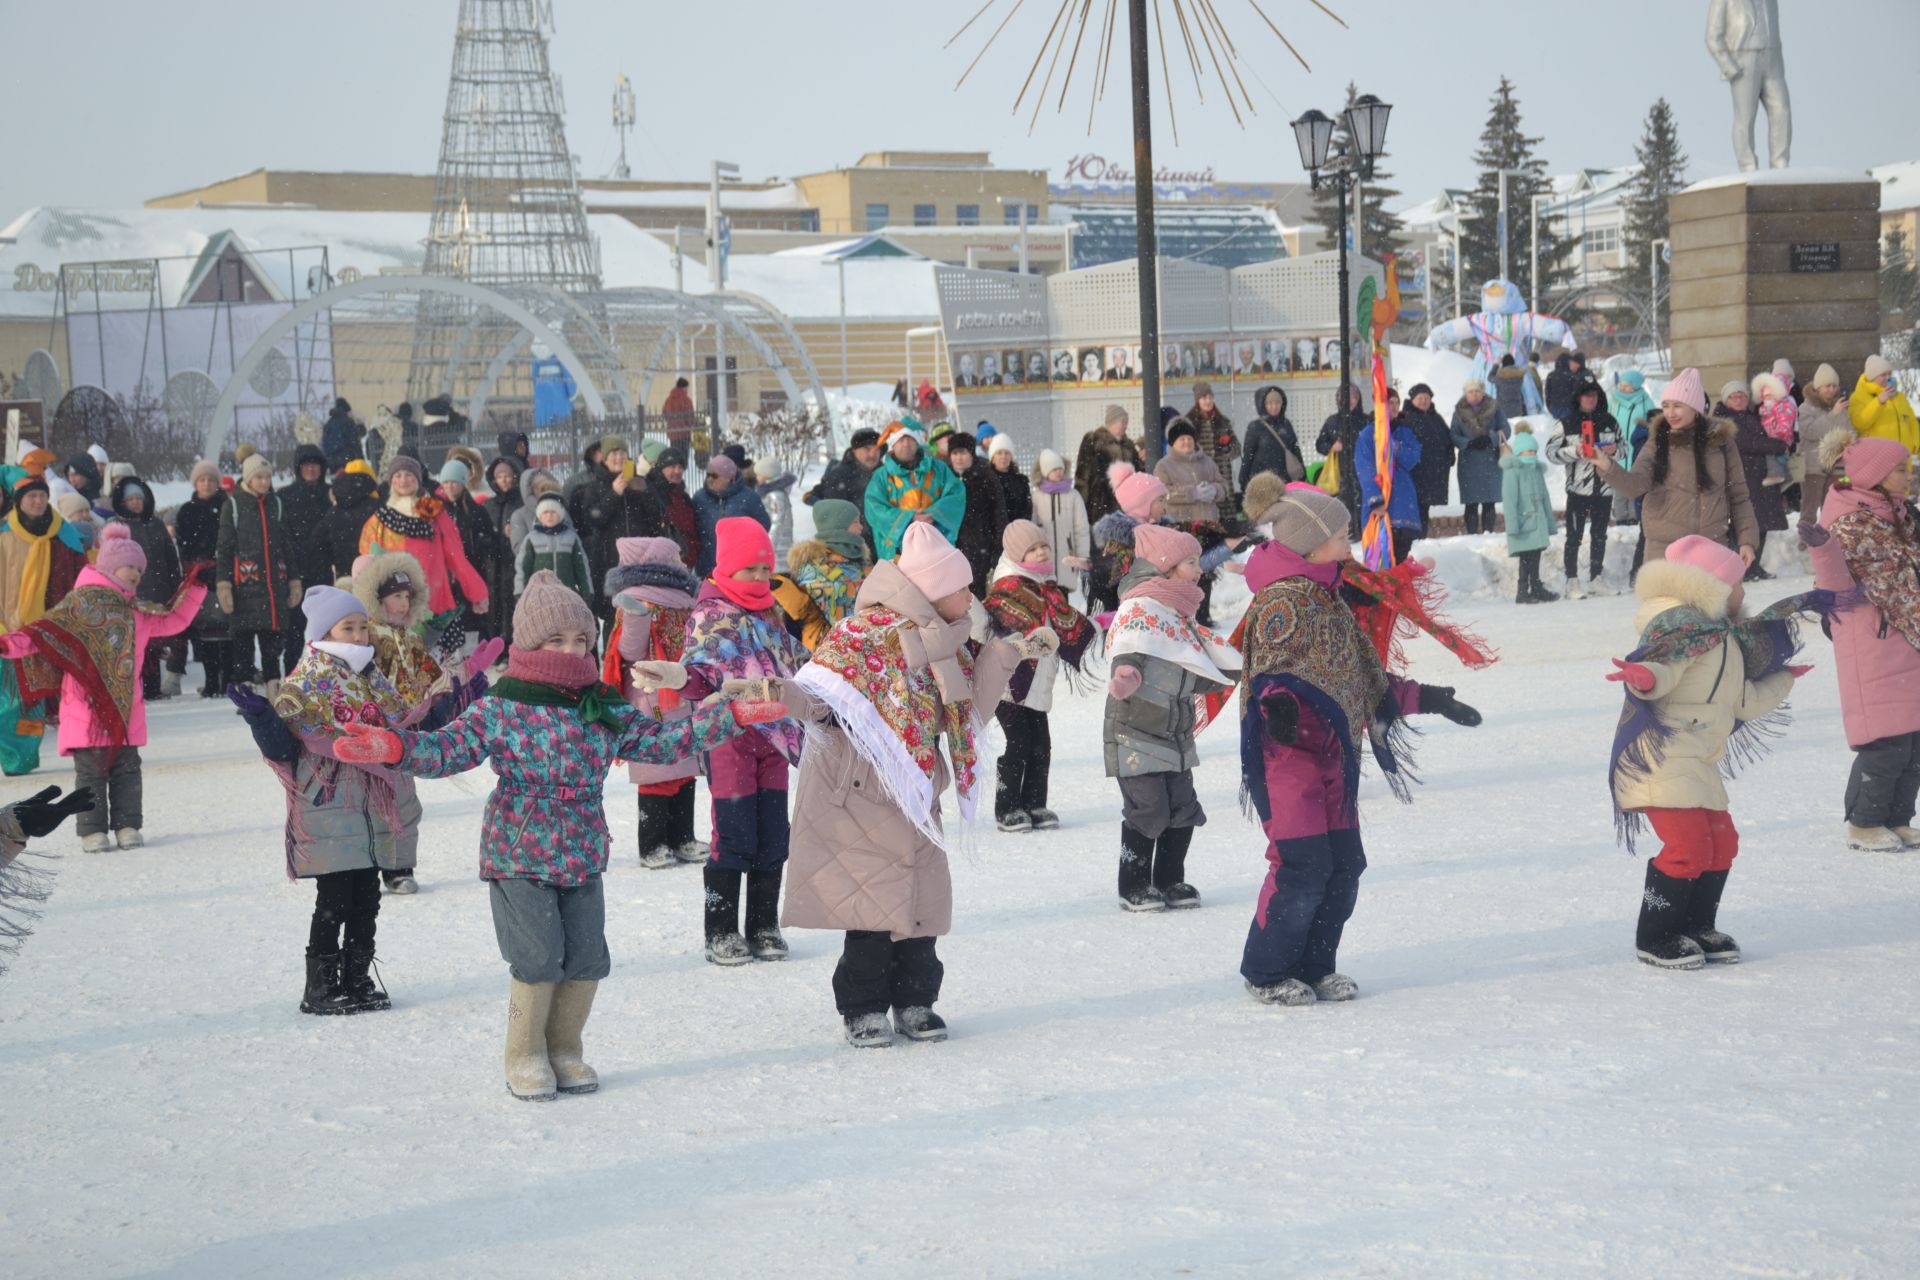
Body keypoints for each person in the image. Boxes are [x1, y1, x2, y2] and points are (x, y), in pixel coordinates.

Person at [328, 572, 776, 1093]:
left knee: (587, 956)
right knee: (538, 957)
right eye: (556, 640)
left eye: (580, 640)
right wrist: (396, 747)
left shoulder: (600, 704)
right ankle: (525, 1055)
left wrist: (733, 715)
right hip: (519, 847)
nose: (571, 650)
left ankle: (565, 1049)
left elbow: (662, 742)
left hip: (583, 846)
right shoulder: (505, 703)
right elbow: (448, 749)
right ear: (530, 644)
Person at [780, 521, 1043, 1047]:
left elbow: (970, 716)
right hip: (860, 793)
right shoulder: (862, 634)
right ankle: (865, 1008)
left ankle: (916, 1000)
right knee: (871, 912)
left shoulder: (949, 643)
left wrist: (1007, 653)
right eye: (961, 588)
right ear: (930, 589)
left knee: (922, 908)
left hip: (918, 792)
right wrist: (777, 693)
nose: (970, 598)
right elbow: (820, 697)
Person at [1237, 485, 1482, 1006]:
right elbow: (1272, 671)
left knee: (1345, 864)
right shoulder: (1282, 599)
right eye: (1341, 534)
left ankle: (1315, 964)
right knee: (1301, 864)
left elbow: (1355, 677)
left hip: (1332, 754)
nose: (1350, 542)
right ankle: (1267, 969)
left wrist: (1427, 698)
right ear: (1309, 543)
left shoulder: (1326, 595)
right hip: (1288, 759)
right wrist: (1278, 704)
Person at [1606, 535, 1809, 968]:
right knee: (1687, 845)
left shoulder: (1724, 640)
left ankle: (1697, 925)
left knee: (1721, 843)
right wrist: (1643, 677)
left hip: (1697, 758)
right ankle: (1655, 935)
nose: (1744, 593)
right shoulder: (1679, 629)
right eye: (1737, 584)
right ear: (1713, 587)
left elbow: (1742, 704)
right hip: (1661, 756)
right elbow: (1663, 667)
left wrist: (1785, 679)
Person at [0, 523, 204, 850]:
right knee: (92, 773)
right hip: (85, 710)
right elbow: (42, 633)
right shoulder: (78, 607)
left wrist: (195, 591)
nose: (136, 573)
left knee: (127, 771)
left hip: (127, 709)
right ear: (109, 566)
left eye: (140, 568)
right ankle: (92, 829)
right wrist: (8, 645)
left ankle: (127, 826)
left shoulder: (135, 611)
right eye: (130, 566)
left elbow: (172, 620)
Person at [682, 517, 810, 966]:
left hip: (773, 735)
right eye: (748, 570)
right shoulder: (709, 615)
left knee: (774, 833)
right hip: (729, 738)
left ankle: (763, 924)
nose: (758, 579)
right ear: (727, 569)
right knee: (734, 832)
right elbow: (697, 673)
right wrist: (683, 680)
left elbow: (795, 661)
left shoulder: (772, 613)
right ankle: (720, 930)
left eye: (764, 570)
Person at [1104, 523, 1240, 912]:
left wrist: (1231, 671)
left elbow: (1193, 667)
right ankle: (1133, 884)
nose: (1199, 569)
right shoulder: (1141, 609)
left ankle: (1169, 880)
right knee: (1149, 810)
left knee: (1182, 808)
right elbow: (1128, 648)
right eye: (1191, 562)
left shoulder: (1177, 614)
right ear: (1165, 566)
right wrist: (1126, 675)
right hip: (1135, 731)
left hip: (1175, 732)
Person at [1804, 431, 1920, 850]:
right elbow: (1833, 585)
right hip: (1873, 638)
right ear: (1875, 476)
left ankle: (1897, 818)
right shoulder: (1849, 519)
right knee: (1885, 741)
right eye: (1901, 470)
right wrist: (1822, 550)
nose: (1908, 476)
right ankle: (1864, 823)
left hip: (1909, 634)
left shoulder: (1900, 513)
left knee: (1913, 742)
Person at [981, 520, 1097, 833]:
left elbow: (1066, 625)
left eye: (1043, 546)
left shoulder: (1048, 588)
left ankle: (1035, 803)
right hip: (1011, 683)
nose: (1041, 551)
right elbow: (992, 630)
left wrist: (1101, 622)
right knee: (1018, 743)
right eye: (1032, 549)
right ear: (1017, 554)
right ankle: (1007, 809)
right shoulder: (1008, 589)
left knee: (1041, 745)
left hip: (1038, 681)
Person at [605, 537, 709, 870]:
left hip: (682, 690)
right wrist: (636, 617)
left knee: (685, 768)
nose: (681, 562)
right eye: (675, 557)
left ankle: (682, 837)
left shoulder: (681, 598)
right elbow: (630, 653)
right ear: (659, 561)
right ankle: (652, 843)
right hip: (651, 695)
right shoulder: (636, 600)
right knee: (658, 771)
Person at [1594, 368, 1759, 568]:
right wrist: (1606, 465)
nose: (1670, 413)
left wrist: (1747, 541)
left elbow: (1739, 496)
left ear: (1695, 408)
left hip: (1712, 547)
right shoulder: (1657, 441)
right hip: (1665, 550)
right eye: (1666, 406)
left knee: (1722, 599)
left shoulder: (1721, 442)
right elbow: (1634, 486)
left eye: (1678, 406)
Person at [356, 454, 488, 635]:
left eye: (409, 474)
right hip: (394, 609)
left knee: (436, 660)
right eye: (398, 475)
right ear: (392, 481)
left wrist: (476, 591)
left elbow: (456, 556)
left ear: (418, 479)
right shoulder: (379, 520)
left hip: (434, 603)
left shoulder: (435, 512)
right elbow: (367, 564)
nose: (404, 480)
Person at [217, 454, 297, 692]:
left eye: (267, 477)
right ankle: (246, 691)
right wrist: (224, 584)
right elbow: (224, 549)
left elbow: (287, 546)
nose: (264, 482)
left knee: (272, 645)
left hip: (273, 588)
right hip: (245, 587)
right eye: (259, 477)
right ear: (249, 479)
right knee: (243, 644)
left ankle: (274, 690)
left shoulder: (277, 504)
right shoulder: (232, 506)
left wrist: (293, 580)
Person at [108, 475, 184, 700]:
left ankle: (152, 687)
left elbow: (171, 558)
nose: (135, 503)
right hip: (132, 594)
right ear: (122, 501)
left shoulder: (156, 524)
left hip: (159, 591)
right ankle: (135, 688)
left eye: (138, 498)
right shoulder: (118, 528)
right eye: (130, 499)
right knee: (134, 645)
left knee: (155, 644)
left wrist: (174, 587)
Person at [1546, 376, 1622, 598]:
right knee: (1574, 536)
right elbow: (1551, 453)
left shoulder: (1610, 421)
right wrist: (1574, 452)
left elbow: (1624, 448)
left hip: (1605, 487)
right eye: (1586, 395)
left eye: (1594, 395)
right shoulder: (1565, 423)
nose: (1591, 399)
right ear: (1578, 398)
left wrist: (1614, 450)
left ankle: (1597, 577)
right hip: (1578, 489)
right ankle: (1571, 580)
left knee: (1600, 535)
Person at [1717, 379, 1788, 579]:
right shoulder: (1723, 419)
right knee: (1742, 523)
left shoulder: (1753, 415)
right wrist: (1777, 445)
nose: (1739, 400)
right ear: (1726, 399)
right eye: (1734, 396)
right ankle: (1740, 568)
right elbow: (1748, 443)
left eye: (1743, 396)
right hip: (1742, 477)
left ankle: (1754, 566)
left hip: (1761, 478)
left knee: (1761, 523)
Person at [864, 422, 964, 561]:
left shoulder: (938, 468)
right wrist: (909, 518)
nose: (906, 444)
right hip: (898, 553)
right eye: (901, 440)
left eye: (910, 439)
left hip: (936, 545)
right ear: (893, 445)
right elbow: (873, 508)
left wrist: (934, 514)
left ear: (917, 442)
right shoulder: (881, 476)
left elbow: (956, 494)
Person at [174, 461, 232, 698]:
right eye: (202, 480)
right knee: (206, 632)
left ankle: (227, 680)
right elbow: (183, 544)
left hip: (224, 573)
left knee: (228, 632)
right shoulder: (187, 510)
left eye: (210, 480)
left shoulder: (228, 506)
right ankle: (210, 681)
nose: (207, 484)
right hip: (198, 576)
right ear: (195, 483)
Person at [780, 498, 868, 651]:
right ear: (839, 525)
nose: (861, 527)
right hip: (824, 649)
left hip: (856, 646)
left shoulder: (855, 561)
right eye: (855, 522)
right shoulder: (814, 568)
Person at [277, 445, 335, 673]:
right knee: (294, 631)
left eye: (315, 465)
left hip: (323, 571)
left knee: (325, 630)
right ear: (298, 469)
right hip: (295, 574)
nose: (311, 469)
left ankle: (324, 675)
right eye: (306, 465)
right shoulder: (284, 496)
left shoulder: (332, 495)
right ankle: (292, 677)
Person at [1354, 397, 1424, 565]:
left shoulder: (1405, 432)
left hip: (1403, 504)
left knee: (1400, 561)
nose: (1393, 407)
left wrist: (1394, 446)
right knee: (1379, 562)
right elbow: (1365, 469)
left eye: (1395, 403)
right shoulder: (1368, 434)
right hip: (1381, 506)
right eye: (1388, 403)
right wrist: (1375, 500)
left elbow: (1413, 459)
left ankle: (1398, 590)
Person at [1501, 424, 1559, 604]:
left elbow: (1545, 497)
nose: (1532, 455)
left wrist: (1549, 522)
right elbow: (1509, 501)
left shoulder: (1535, 471)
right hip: (1524, 522)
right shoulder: (1513, 472)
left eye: (1534, 451)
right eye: (1528, 451)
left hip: (1537, 522)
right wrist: (1513, 526)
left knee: (1535, 556)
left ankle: (1535, 587)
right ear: (1518, 452)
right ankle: (1522, 590)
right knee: (1526, 558)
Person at [944, 433, 1005, 598]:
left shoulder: (986, 477)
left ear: (971, 453)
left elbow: (998, 515)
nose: (959, 458)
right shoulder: (945, 478)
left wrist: (996, 547)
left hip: (980, 547)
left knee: (977, 596)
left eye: (963, 452)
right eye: (955, 453)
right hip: (951, 547)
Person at [689, 455, 770, 579]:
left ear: (730, 478)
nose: (710, 479)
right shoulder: (700, 498)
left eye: (715, 476)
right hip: (707, 569)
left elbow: (763, 526)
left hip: (739, 570)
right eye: (708, 475)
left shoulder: (749, 497)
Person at [1030, 448, 1091, 604]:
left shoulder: (1073, 496)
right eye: (1054, 469)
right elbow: (1032, 528)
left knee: (1063, 599)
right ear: (1045, 472)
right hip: (1044, 559)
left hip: (1067, 556)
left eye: (1060, 468)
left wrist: (1082, 556)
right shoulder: (1037, 497)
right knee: (1044, 599)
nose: (1059, 472)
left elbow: (1081, 528)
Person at [1450, 379, 1509, 534]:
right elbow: (1453, 435)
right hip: (1469, 462)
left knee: (1489, 501)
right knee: (1471, 502)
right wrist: (1468, 443)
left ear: (1483, 392)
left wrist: (1491, 439)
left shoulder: (1494, 408)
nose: (1474, 394)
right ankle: (1472, 534)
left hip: (1490, 459)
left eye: (1477, 391)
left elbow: (1506, 429)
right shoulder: (1459, 412)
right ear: (1466, 394)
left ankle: (1488, 533)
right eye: (1470, 392)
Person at [1796, 363, 1849, 530]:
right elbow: (1810, 432)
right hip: (1813, 466)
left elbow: (1849, 432)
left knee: (1831, 507)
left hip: (1836, 466)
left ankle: (1828, 540)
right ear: (1818, 388)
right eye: (1827, 386)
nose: (1831, 390)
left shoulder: (1842, 408)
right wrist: (1832, 415)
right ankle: (1805, 540)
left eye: (1834, 386)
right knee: (1809, 508)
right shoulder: (1805, 408)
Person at [1073, 405, 1143, 527]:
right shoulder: (1093, 442)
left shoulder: (1129, 446)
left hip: (1126, 506)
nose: (1125, 425)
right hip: (1100, 503)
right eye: (1123, 421)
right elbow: (1083, 476)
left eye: (1126, 422)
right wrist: (1082, 505)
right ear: (1112, 422)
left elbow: (1139, 473)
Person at [1399, 384, 1454, 537]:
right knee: (1414, 507)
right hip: (1415, 472)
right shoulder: (1405, 417)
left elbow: (1446, 438)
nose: (1423, 401)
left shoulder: (1435, 418)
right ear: (1412, 399)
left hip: (1432, 473)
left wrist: (1450, 456)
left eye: (1426, 398)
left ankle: (1421, 537)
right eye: (1420, 398)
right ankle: (1415, 538)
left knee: (1424, 507)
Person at [481, 455, 525, 639]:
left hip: (513, 560)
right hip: (493, 562)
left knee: (511, 602)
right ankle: (495, 642)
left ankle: (510, 643)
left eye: (507, 476)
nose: (504, 480)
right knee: (494, 602)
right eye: (500, 477)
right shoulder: (489, 504)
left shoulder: (520, 502)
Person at [1316, 384, 1368, 537]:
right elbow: (1320, 444)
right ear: (1339, 400)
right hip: (1340, 475)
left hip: (1363, 473)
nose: (1349, 401)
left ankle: (1364, 535)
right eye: (1344, 397)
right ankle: (1348, 537)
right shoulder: (1332, 421)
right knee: (1343, 509)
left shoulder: (1366, 420)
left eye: (1353, 397)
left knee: (1363, 507)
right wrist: (1332, 446)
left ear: (1358, 400)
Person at [1155, 419, 1226, 526]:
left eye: (1189, 438)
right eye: (1182, 439)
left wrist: (1215, 490)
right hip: (1180, 524)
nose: (1187, 442)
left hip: (1210, 524)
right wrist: (1192, 493)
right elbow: (1162, 494)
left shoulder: (1207, 461)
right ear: (1173, 442)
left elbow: (1223, 485)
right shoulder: (1163, 466)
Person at [1849, 354, 1919, 452]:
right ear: (1872, 377)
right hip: (1877, 459)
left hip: (1903, 459)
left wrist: (1916, 443)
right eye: (1883, 375)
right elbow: (1859, 424)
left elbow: (1912, 422)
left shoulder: (1900, 397)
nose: (1888, 378)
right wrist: (1878, 402)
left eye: (1889, 374)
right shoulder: (1858, 397)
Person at [1241, 386, 1306, 488]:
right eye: (1270, 403)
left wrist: (1302, 474)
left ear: (1282, 405)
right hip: (1262, 481)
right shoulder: (1255, 427)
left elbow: (1295, 450)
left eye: (1277, 403)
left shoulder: (1286, 424)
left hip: (1285, 480)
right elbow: (1248, 456)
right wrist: (1244, 480)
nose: (1274, 407)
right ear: (1263, 405)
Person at [1187, 382, 1240, 505]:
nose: (1208, 401)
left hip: (1222, 475)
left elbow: (1237, 448)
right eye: (1204, 398)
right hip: (1200, 474)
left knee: (1225, 517)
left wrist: (1227, 448)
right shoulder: (1189, 423)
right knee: (1205, 515)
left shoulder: (1223, 422)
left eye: (1210, 397)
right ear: (1197, 400)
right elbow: (1184, 451)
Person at [805, 428, 882, 511]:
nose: (872, 454)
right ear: (854, 450)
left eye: (876, 449)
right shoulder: (840, 477)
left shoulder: (887, 474)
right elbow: (837, 516)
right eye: (867, 449)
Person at [1751, 370, 1797, 489]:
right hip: (1771, 439)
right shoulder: (1764, 409)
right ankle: (1786, 476)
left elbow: (1785, 425)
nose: (1768, 399)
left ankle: (1776, 475)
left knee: (1770, 454)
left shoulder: (1785, 406)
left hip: (1781, 439)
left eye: (1770, 396)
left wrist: (1773, 436)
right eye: (1765, 396)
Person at [983, 432, 1031, 526]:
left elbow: (1026, 509)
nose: (1003, 457)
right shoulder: (985, 481)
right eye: (999, 453)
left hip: (1016, 532)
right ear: (993, 457)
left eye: (1007, 453)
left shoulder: (1021, 482)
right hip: (993, 535)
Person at [320, 398, 363, 473]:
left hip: (332, 464)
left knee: (338, 482)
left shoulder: (327, 425)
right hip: (348, 461)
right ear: (346, 410)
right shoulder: (348, 422)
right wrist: (360, 460)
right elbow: (355, 443)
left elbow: (324, 444)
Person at [1544, 350, 1587, 421]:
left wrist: (1550, 407)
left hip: (1554, 408)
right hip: (1569, 408)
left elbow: (1547, 394)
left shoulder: (1551, 375)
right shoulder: (1573, 376)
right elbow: (1577, 393)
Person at [662, 376, 698, 446]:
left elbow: (665, 414)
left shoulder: (668, 400)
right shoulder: (686, 400)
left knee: (675, 454)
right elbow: (689, 417)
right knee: (683, 455)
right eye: (687, 388)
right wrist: (694, 424)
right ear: (684, 388)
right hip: (683, 433)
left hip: (673, 433)